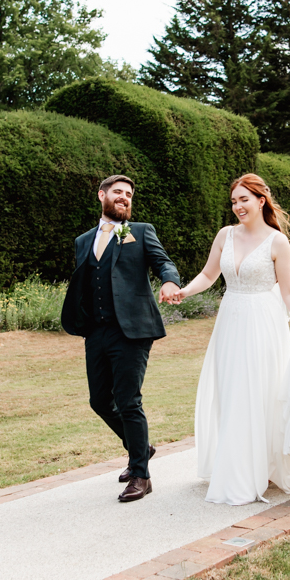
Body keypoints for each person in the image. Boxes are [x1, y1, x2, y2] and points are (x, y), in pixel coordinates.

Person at [172, 173, 290, 505]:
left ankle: (264, 467)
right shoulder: (225, 236)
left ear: (261, 200)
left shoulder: (278, 242)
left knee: (263, 391)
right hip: (231, 322)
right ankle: (237, 469)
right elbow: (209, 274)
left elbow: (289, 290)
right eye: (234, 201)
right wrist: (184, 291)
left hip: (264, 322)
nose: (237, 207)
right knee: (234, 391)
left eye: (243, 200)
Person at [60, 175, 182, 503]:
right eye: (117, 192)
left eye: (128, 194)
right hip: (96, 331)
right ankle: (140, 447)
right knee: (100, 401)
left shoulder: (140, 232)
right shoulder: (83, 240)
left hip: (133, 330)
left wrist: (170, 282)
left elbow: (163, 263)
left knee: (129, 400)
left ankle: (141, 474)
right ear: (102, 195)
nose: (124, 197)